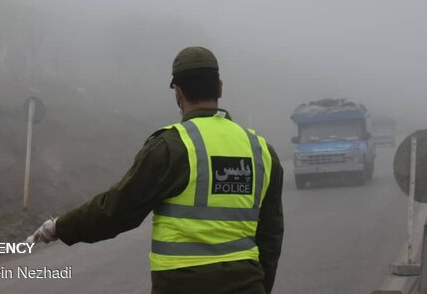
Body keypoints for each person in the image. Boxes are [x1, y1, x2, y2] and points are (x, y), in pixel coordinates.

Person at [32, 46, 284, 294]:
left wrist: (60, 227)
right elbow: (270, 236)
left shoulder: (172, 147)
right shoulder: (261, 151)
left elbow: (117, 210)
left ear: (178, 92)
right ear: (220, 88)